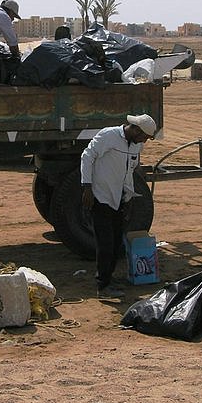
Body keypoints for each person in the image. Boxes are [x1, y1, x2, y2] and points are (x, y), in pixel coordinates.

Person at [80, 114, 157, 299]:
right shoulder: (108, 135)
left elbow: (130, 171)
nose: (144, 141)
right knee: (105, 243)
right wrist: (87, 187)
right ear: (136, 130)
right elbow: (87, 156)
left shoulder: (136, 145)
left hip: (118, 199)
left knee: (116, 243)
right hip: (100, 196)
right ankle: (103, 286)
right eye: (144, 137)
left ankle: (109, 277)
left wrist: (129, 197)